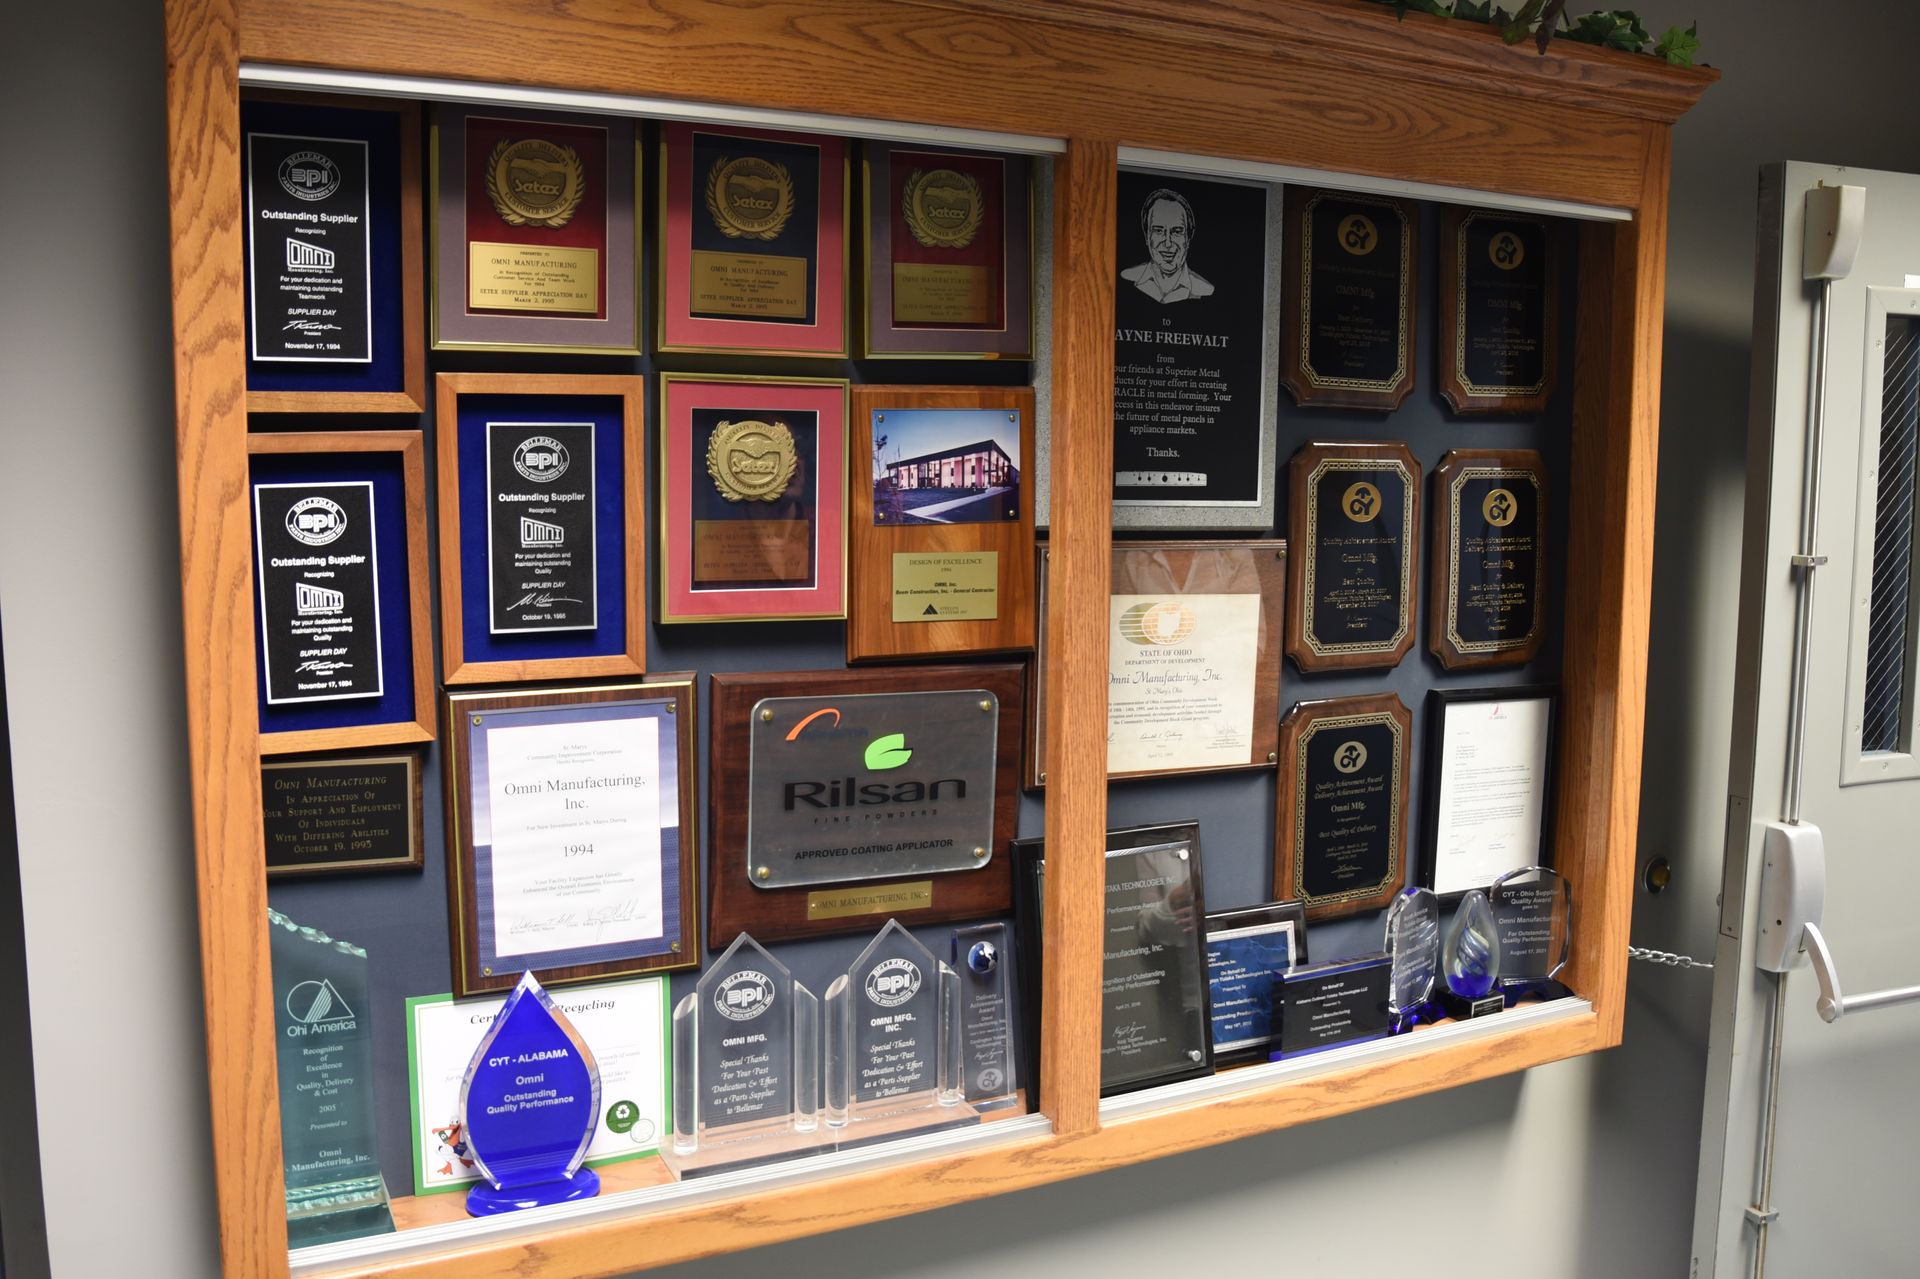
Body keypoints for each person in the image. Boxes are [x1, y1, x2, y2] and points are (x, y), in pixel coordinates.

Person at [1121, 187, 1213, 303]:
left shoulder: (1206, 291)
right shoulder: (1125, 279)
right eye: (1158, 231)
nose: (1168, 243)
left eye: (1177, 231)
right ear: (1147, 236)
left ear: (1188, 238)